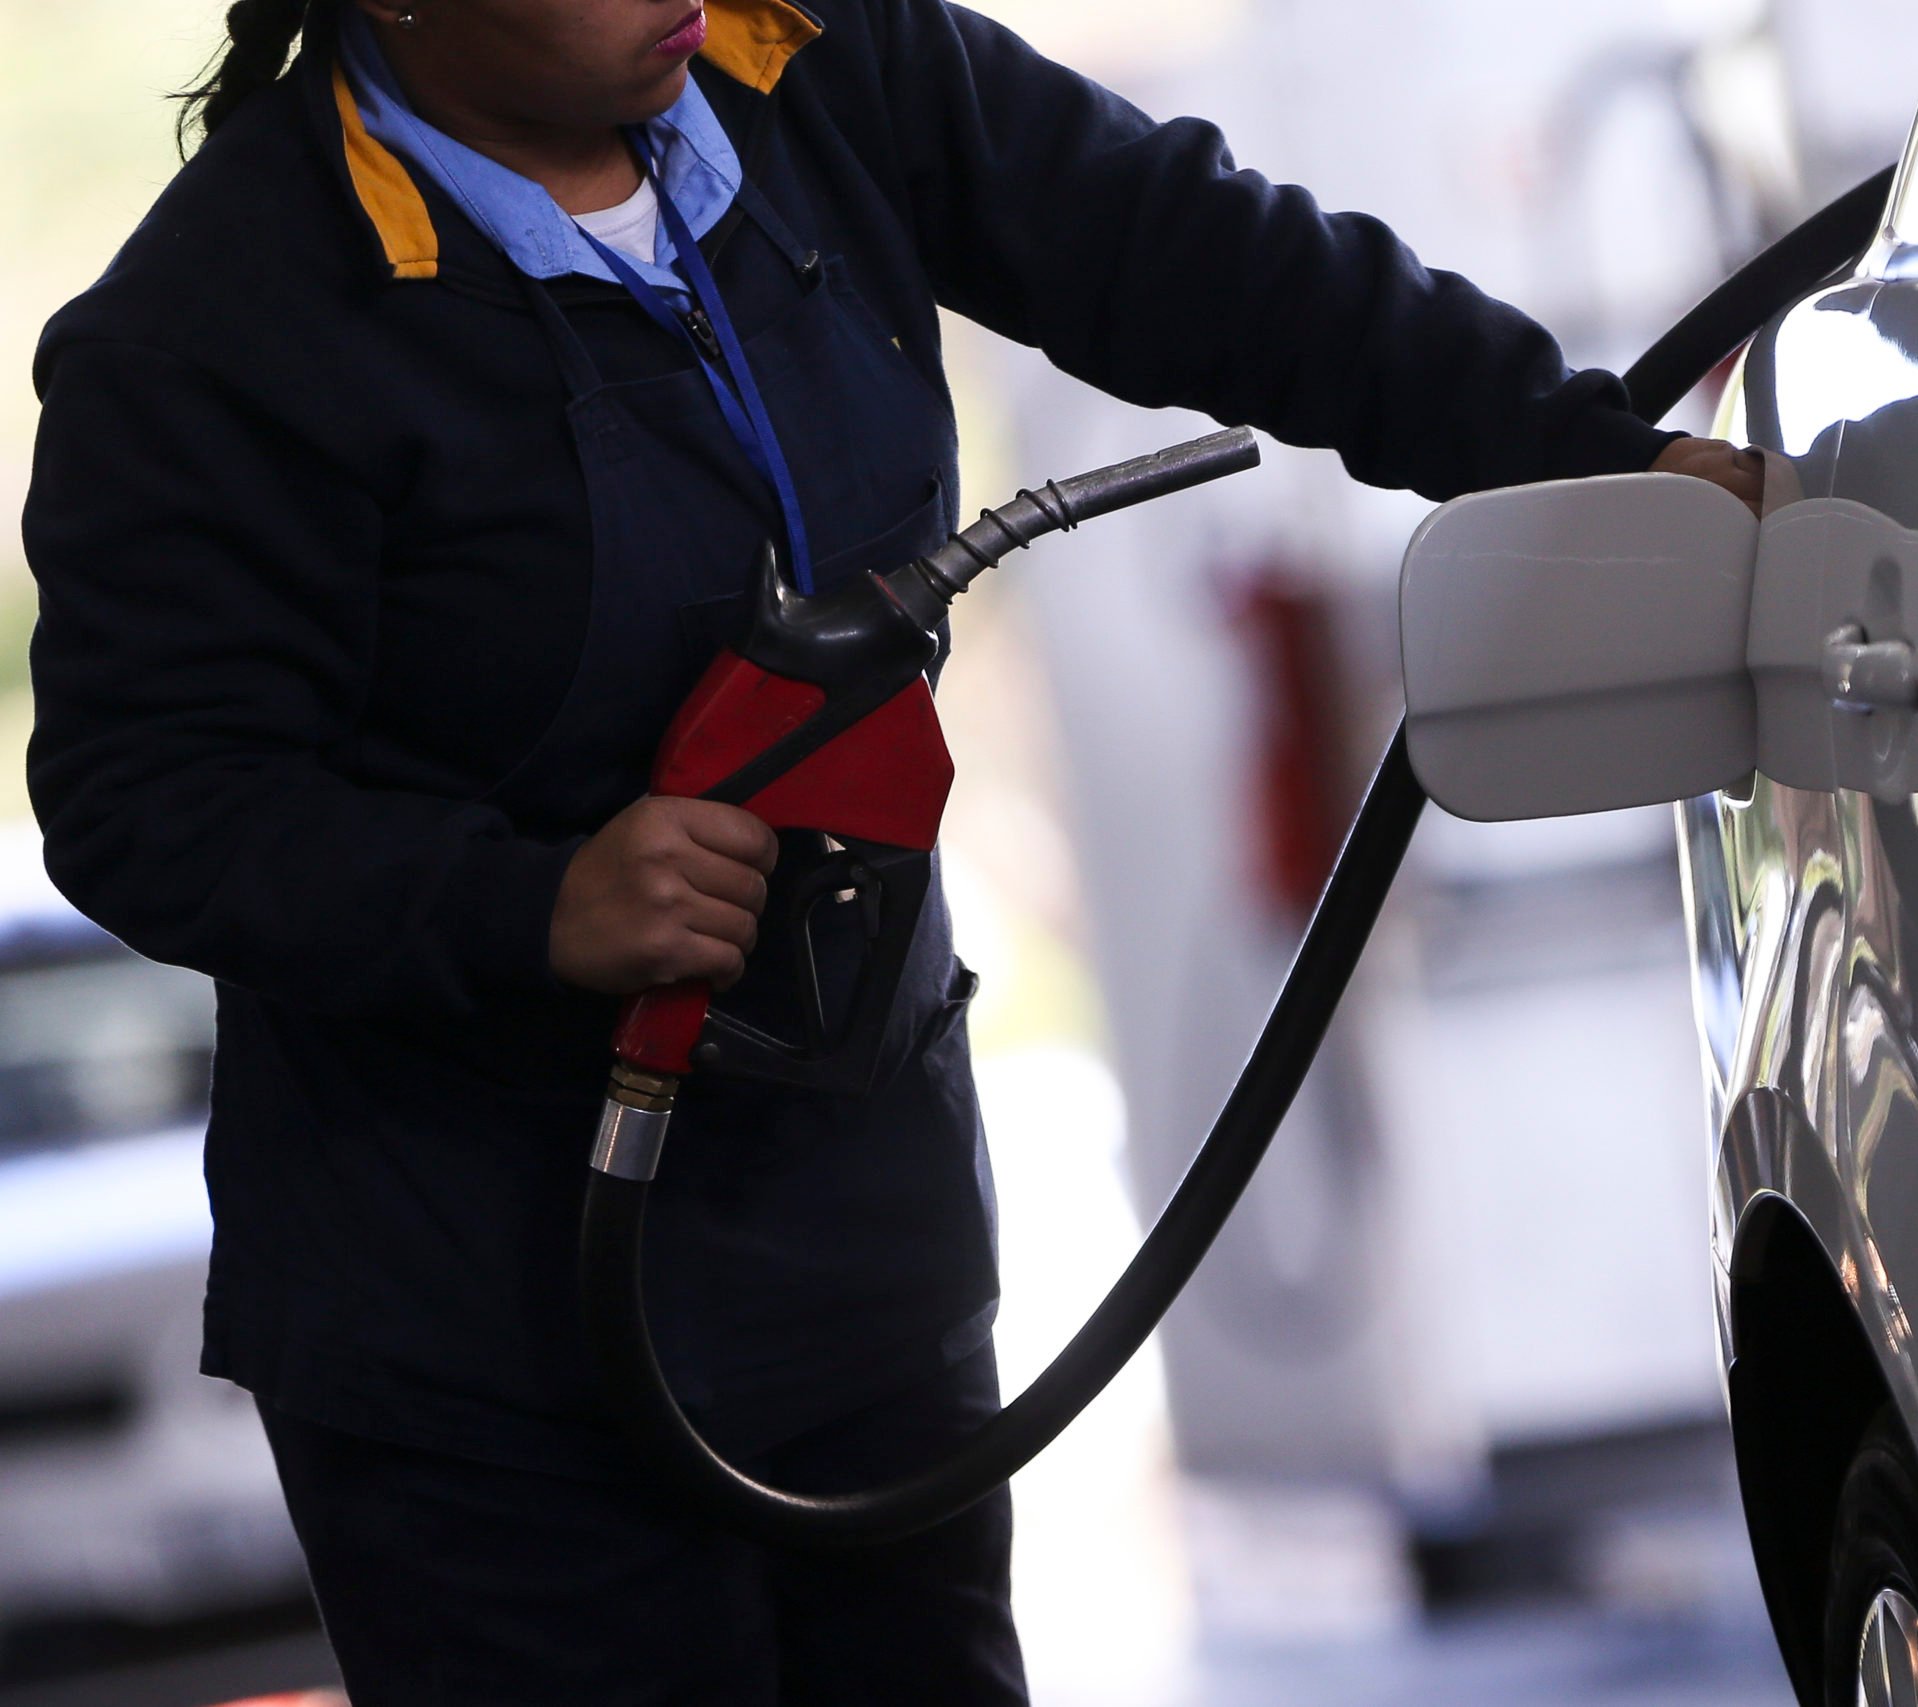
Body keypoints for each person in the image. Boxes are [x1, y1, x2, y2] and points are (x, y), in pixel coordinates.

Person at [20, 1, 1761, 1698]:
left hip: (857, 1237)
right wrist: (529, 904)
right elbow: (144, 793)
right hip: (482, 1334)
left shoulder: (824, 63)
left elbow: (1216, 262)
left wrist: (1599, 458)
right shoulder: (217, 331)